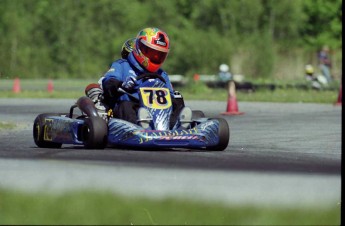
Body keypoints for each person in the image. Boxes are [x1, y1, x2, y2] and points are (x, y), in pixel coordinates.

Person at [88, 27, 189, 129]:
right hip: (130, 108)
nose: (155, 57)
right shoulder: (122, 65)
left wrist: (175, 104)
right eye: (151, 53)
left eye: (159, 55)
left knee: (177, 102)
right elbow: (108, 82)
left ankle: (177, 127)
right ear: (139, 47)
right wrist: (121, 84)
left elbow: (170, 97)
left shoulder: (162, 74)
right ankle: (139, 128)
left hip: (158, 112)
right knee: (126, 106)